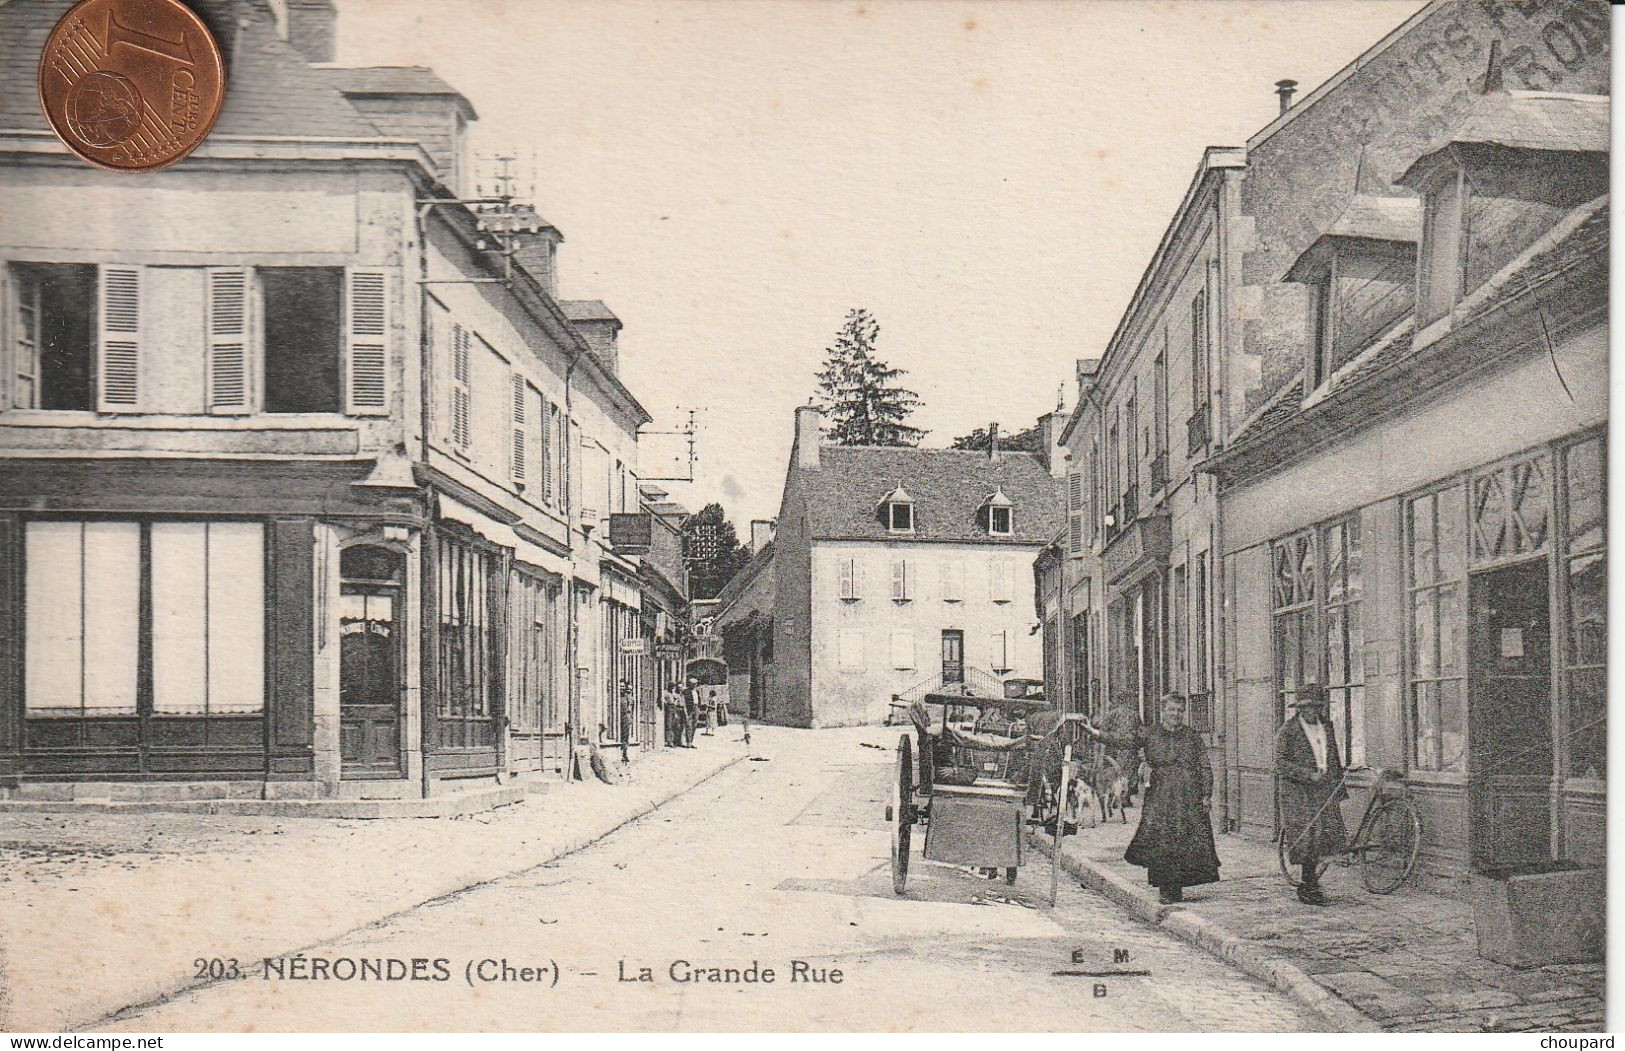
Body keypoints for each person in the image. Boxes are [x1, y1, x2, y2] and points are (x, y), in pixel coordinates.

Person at [1084, 693, 1220, 905]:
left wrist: (1206, 794)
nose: (1176, 714)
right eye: (1172, 709)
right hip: (1161, 795)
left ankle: (1179, 885)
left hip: (1188, 795)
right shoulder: (1150, 734)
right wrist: (1097, 733)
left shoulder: (1192, 736)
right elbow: (1124, 741)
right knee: (1162, 840)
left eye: (1180, 711)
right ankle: (1166, 887)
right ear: (1163, 711)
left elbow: (1204, 765)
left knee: (1186, 840)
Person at [1276, 683, 1348, 907]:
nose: (1311, 712)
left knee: (1325, 835)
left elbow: (1333, 755)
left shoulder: (1326, 726)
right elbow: (1280, 764)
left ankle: (1312, 882)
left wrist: (1338, 783)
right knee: (1307, 836)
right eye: (1306, 708)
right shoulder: (1288, 731)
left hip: (1323, 789)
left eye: (1315, 707)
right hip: (1299, 792)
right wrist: (1308, 775)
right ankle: (1308, 885)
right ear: (1299, 709)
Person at [682, 676, 701, 747]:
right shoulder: (686, 691)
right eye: (693, 684)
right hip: (689, 709)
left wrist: (698, 708)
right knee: (689, 725)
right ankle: (688, 742)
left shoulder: (697, 691)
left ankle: (691, 741)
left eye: (695, 684)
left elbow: (699, 700)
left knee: (694, 725)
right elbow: (684, 701)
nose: (694, 685)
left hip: (696, 708)